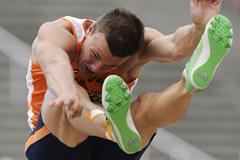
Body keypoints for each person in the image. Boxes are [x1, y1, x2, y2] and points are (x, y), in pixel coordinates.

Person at [24, 0, 233, 159]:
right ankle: (111, 126)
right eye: (95, 55)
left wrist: (200, 26)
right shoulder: (59, 33)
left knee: (145, 108)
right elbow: (54, 64)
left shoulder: (137, 49)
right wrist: (66, 90)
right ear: (91, 30)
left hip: (118, 144)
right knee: (72, 94)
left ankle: (189, 83)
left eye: (109, 66)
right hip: (57, 144)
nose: (95, 67)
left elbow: (176, 46)